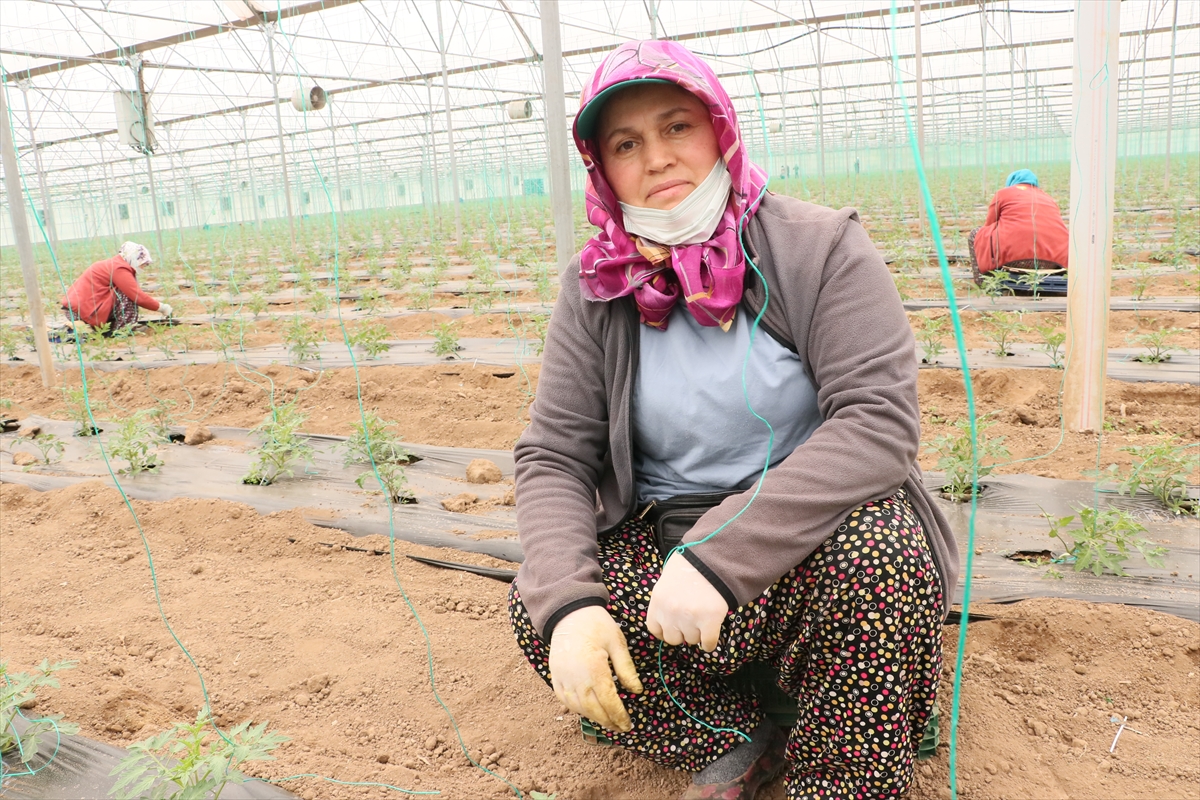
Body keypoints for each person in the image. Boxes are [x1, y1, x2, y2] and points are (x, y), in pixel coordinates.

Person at [508, 40, 957, 800]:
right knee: (545, 604)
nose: (656, 158)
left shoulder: (818, 249)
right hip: (667, 542)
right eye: (626, 143)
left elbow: (878, 421)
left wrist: (720, 554)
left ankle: (840, 771)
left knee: (881, 558)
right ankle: (736, 737)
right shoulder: (597, 290)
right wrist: (570, 608)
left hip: (811, 535)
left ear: (718, 129)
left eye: (676, 126)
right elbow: (554, 456)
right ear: (602, 168)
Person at [968, 169, 1069, 285]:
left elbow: (989, 224)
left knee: (976, 234)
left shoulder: (1003, 194)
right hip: (1052, 262)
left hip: (1013, 259)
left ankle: (983, 282)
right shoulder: (1048, 198)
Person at [60, 241, 172, 334]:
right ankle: (124, 329)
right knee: (126, 293)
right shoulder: (119, 268)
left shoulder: (113, 264)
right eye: (142, 263)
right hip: (80, 311)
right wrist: (162, 308)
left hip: (76, 310)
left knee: (123, 292)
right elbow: (138, 296)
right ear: (133, 258)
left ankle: (105, 327)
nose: (143, 267)